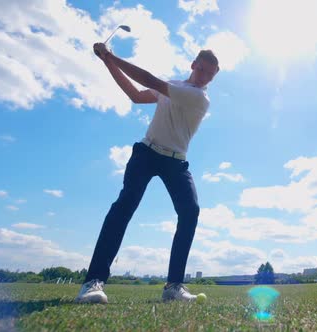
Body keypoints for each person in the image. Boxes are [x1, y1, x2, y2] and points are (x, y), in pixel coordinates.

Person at [75, 42, 219, 304]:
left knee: (190, 211)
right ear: (193, 65)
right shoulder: (175, 85)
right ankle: (92, 282)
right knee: (124, 206)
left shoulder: (200, 98)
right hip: (147, 153)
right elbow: (136, 94)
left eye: (210, 74)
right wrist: (107, 62)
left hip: (176, 161)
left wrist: (111, 55)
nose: (204, 77)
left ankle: (173, 286)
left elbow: (149, 79)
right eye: (202, 70)